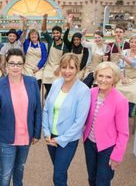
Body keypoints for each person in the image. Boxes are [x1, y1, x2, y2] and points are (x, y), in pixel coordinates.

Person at [0, 48, 42, 186]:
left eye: (19, 64)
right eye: (12, 63)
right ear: (6, 65)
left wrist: (36, 133)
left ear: (23, 65)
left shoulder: (32, 82)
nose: (15, 67)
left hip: (26, 137)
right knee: (6, 174)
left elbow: (37, 111)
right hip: (7, 137)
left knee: (19, 170)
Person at [42, 53, 90, 186]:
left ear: (77, 69)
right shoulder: (57, 83)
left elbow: (79, 122)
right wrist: (46, 132)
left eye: (71, 67)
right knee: (60, 172)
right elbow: (46, 109)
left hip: (67, 140)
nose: (67, 71)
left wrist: (60, 140)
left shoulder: (83, 90)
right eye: (64, 67)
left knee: (58, 176)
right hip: (51, 137)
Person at [83, 62, 129, 186]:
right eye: (100, 76)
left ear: (115, 79)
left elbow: (123, 133)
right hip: (89, 143)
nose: (103, 80)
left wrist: (117, 156)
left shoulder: (120, 100)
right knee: (92, 177)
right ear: (96, 76)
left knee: (102, 181)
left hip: (107, 148)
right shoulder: (91, 92)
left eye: (108, 77)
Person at [116, 36, 136, 117]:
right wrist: (122, 78)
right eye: (132, 42)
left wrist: (124, 58)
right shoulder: (124, 52)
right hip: (127, 78)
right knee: (116, 89)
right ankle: (117, 112)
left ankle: (127, 114)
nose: (133, 44)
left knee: (132, 92)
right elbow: (121, 67)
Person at [41, 14, 72, 97]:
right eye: (54, 33)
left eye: (57, 33)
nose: (55, 35)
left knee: (57, 85)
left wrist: (59, 69)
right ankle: (48, 97)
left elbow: (65, 60)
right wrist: (45, 19)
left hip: (59, 67)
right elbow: (43, 30)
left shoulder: (65, 45)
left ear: (60, 34)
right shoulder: (50, 41)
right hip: (48, 66)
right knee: (47, 83)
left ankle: (51, 98)